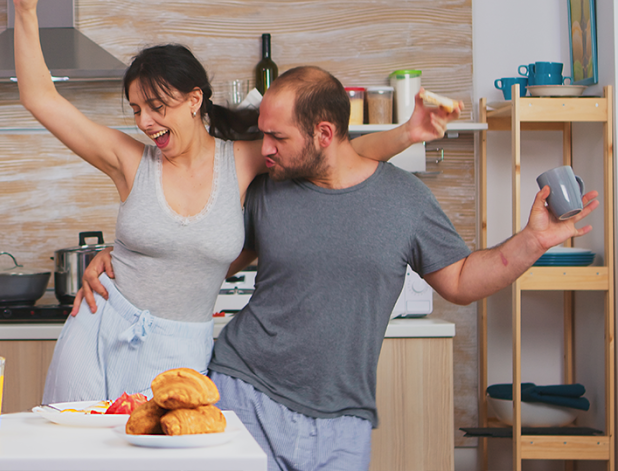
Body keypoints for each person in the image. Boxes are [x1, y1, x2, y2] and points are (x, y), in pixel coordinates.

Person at [78, 66, 599, 470]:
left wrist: (534, 240)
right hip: (243, 393)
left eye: (278, 138)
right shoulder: (269, 189)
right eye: (263, 135)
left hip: (344, 418)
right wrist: (122, 258)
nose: (265, 150)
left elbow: (461, 281)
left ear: (324, 134)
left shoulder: (405, 201)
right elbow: (200, 253)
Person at [11, 0, 458, 404]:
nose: (145, 122)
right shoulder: (129, 162)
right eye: (135, 110)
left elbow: (335, 154)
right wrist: (26, 11)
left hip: (182, 349)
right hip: (99, 327)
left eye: (157, 106)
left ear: (194, 100)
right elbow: (40, 98)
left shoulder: (242, 161)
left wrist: (408, 133)